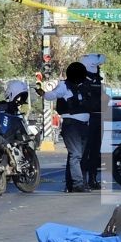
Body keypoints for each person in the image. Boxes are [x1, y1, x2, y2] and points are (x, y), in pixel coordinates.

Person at [39, 62, 90, 192]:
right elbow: (52, 95)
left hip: (84, 125)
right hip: (71, 125)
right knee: (75, 155)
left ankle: (72, 184)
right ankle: (78, 184)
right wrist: (43, 93)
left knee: (79, 156)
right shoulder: (64, 86)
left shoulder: (86, 85)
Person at [79, 53, 107, 190]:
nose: (99, 68)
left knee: (96, 151)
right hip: (88, 119)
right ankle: (83, 179)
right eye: (97, 66)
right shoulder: (82, 81)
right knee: (86, 151)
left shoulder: (97, 79)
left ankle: (93, 179)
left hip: (98, 117)